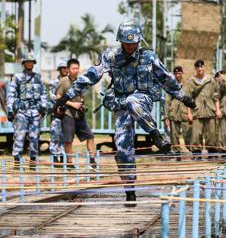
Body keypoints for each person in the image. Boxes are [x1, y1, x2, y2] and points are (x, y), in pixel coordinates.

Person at [53, 21, 196, 206]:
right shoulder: (111, 57)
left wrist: (183, 97)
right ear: (120, 41)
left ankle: (156, 136)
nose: (130, 46)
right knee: (122, 147)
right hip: (121, 103)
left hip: (142, 100)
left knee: (132, 101)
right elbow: (90, 76)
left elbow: (166, 78)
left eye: (133, 43)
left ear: (139, 41)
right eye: (126, 43)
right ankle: (130, 190)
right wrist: (65, 97)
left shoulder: (149, 56)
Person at [6, 53, 48, 169]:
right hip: (21, 112)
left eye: (31, 61)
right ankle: (17, 163)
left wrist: (43, 109)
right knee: (19, 136)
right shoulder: (17, 77)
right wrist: (10, 110)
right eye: (27, 61)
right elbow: (11, 94)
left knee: (34, 137)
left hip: (35, 112)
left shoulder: (38, 78)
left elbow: (43, 94)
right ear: (24, 63)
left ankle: (33, 162)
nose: (29, 63)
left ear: (33, 63)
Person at [55, 59, 96, 168]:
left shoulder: (81, 80)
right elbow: (58, 97)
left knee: (90, 136)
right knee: (68, 139)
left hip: (80, 114)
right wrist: (72, 104)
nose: (75, 70)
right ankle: (69, 163)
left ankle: (92, 161)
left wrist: (82, 105)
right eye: (73, 68)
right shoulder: (63, 81)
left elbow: (82, 96)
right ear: (68, 69)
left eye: (77, 68)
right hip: (68, 113)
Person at [184, 59, 221, 157]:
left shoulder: (211, 80)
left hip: (210, 110)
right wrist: (189, 113)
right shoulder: (191, 81)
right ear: (195, 68)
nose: (200, 69)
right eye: (198, 67)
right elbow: (188, 99)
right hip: (197, 111)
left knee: (212, 134)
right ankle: (196, 154)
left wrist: (217, 109)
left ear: (204, 67)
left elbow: (216, 96)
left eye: (201, 67)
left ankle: (212, 154)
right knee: (196, 135)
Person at [164, 66, 188, 159]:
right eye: (176, 73)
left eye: (179, 73)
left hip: (185, 112)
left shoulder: (187, 84)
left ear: (182, 73)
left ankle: (193, 151)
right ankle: (177, 154)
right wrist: (166, 117)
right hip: (173, 113)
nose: (178, 75)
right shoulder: (170, 85)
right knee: (174, 135)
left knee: (187, 133)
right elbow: (167, 102)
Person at [48, 60, 69, 165]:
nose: (65, 70)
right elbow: (52, 97)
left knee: (65, 136)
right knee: (55, 135)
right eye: (63, 68)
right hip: (56, 113)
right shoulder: (54, 83)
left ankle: (63, 156)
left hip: (68, 113)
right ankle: (55, 158)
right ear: (59, 69)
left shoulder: (71, 82)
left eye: (66, 67)